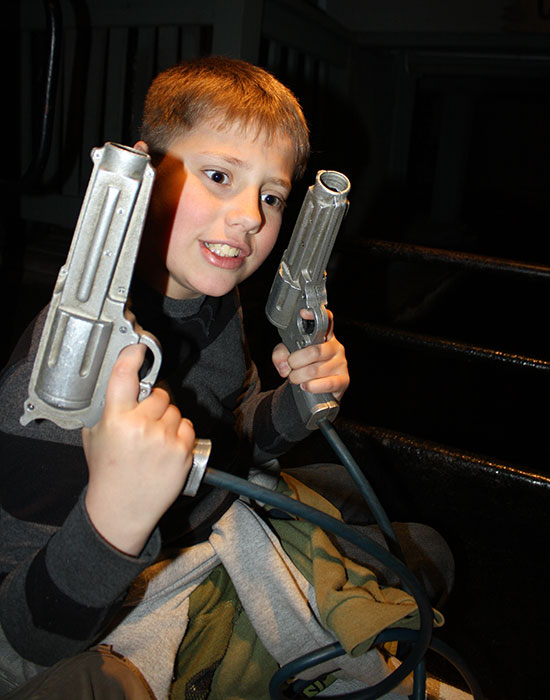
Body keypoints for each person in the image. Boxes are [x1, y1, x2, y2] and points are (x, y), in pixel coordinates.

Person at [0, 56, 453, 699]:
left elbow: (232, 430)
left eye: (271, 195)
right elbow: (27, 638)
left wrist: (296, 403)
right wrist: (113, 519)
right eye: (218, 176)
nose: (250, 217)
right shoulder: (55, 379)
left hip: (209, 516)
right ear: (144, 178)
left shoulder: (215, 302)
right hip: (105, 592)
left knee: (426, 546)